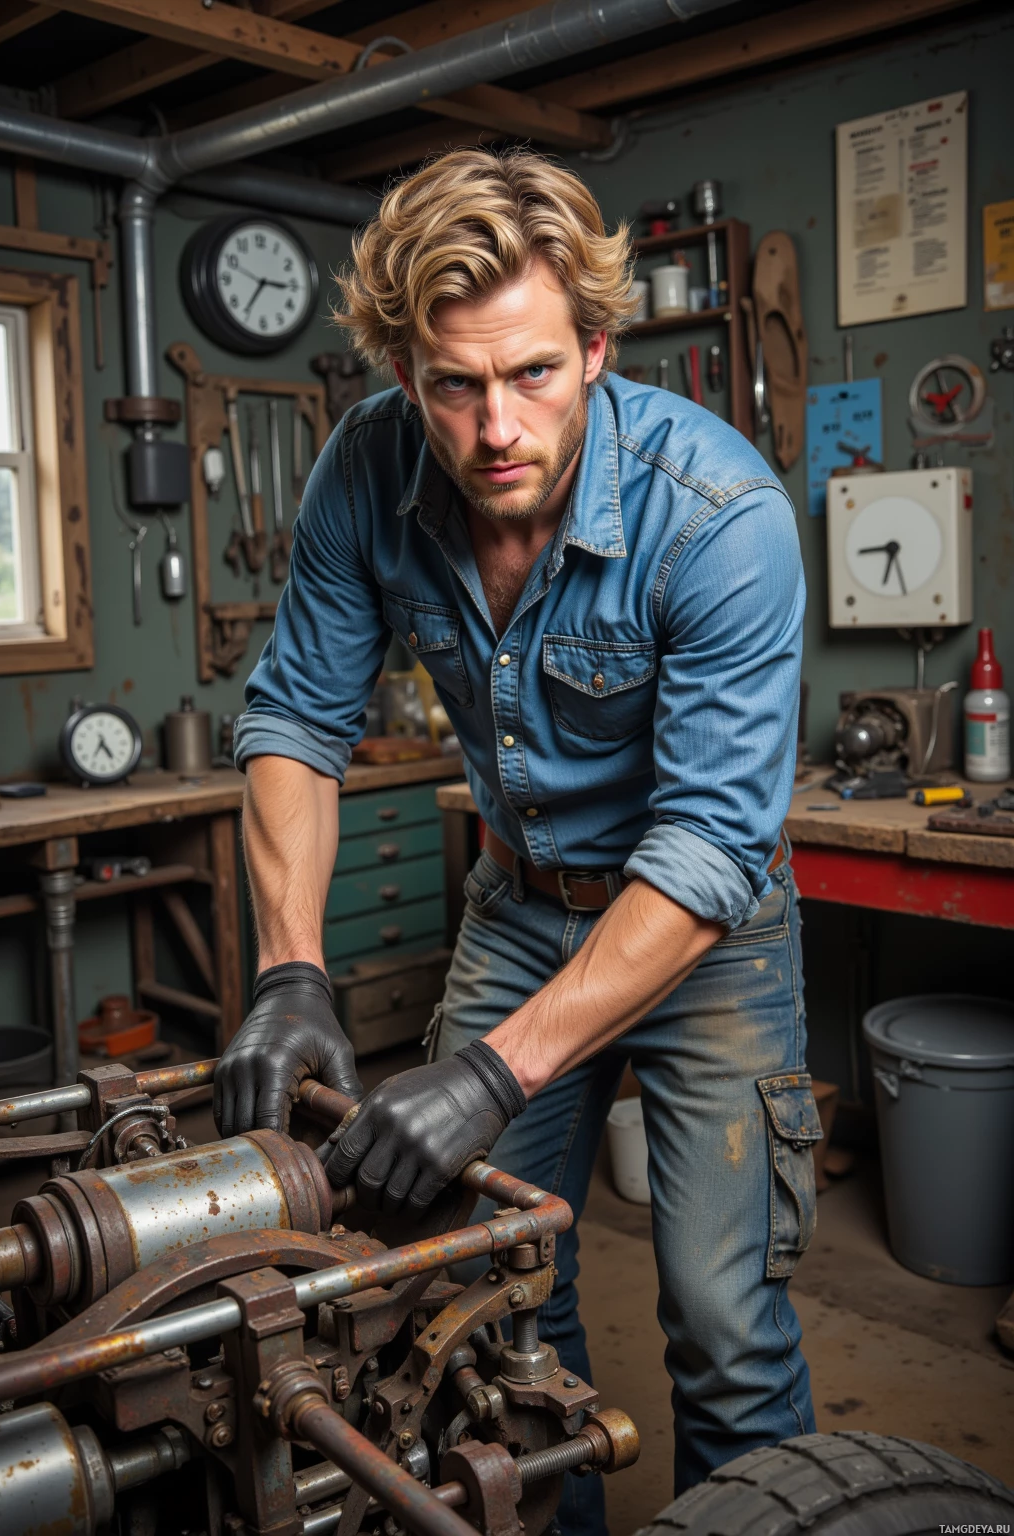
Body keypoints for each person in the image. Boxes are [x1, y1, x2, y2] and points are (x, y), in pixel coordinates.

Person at [215, 148, 817, 1530]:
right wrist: (293, 969)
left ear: (598, 347)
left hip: (703, 930)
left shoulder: (719, 519)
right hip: (520, 901)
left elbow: (712, 849)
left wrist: (493, 1072)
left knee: (725, 1325)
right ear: (403, 373)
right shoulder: (364, 473)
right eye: (454, 385)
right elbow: (299, 720)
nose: (497, 426)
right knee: (474, 1292)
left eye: (535, 373)